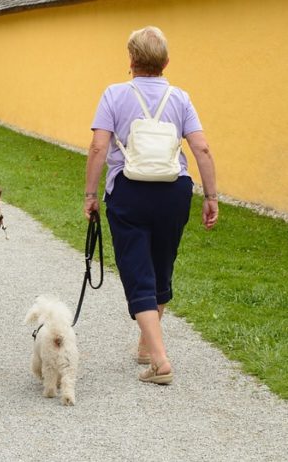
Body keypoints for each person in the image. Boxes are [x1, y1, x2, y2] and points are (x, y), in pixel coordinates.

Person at [84, 26, 218, 385]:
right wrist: (211, 196)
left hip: (129, 191)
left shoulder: (114, 95)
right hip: (174, 191)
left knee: (137, 269)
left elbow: (99, 147)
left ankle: (159, 361)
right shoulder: (181, 98)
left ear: (131, 61)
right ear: (166, 62)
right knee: (161, 264)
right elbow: (202, 148)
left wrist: (91, 194)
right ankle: (146, 343)